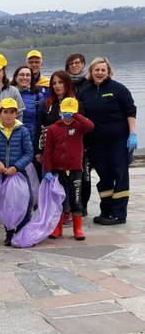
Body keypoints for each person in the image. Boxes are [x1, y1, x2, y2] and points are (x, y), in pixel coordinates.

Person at [78, 57, 137, 225]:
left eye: (103, 70)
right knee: (104, 176)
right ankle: (107, 211)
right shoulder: (85, 91)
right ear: (91, 71)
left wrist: (133, 133)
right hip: (96, 143)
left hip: (118, 141)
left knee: (119, 174)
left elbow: (130, 111)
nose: (99, 73)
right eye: (96, 70)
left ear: (108, 71)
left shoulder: (118, 89)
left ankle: (119, 214)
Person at [0, 98, 34, 246]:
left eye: (12, 112)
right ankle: (9, 232)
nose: (9, 115)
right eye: (5, 112)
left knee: (27, 201)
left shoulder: (23, 130)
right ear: (0, 113)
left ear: (16, 113)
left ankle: (23, 230)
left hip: (19, 173)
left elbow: (28, 153)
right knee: (7, 204)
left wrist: (17, 167)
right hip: (2, 175)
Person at [43, 97, 94, 240]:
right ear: (60, 111)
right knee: (58, 200)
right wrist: (47, 170)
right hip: (57, 170)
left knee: (75, 200)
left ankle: (77, 229)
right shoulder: (53, 128)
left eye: (70, 112)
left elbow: (90, 126)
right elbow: (47, 151)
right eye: (65, 112)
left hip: (75, 169)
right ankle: (57, 229)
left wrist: (76, 115)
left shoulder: (79, 126)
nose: (68, 115)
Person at [36, 71, 77, 189]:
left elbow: (84, 127)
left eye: (60, 82)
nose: (57, 86)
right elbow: (39, 127)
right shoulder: (47, 104)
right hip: (50, 151)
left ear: (67, 83)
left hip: (70, 152)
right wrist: (38, 151)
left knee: (69, 188)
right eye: (54, 83)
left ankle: (70, 207)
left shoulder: (76, 103)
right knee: (51, 188)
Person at [64, 53, 91, 213]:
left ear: (83, 64)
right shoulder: (64, 84)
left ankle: (83, 206)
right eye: (71, 63)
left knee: (84, 175)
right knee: (68, 176)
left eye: (77, 62)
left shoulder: (89, 83)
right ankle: (68, 206)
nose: (74, 65)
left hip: (85, 134)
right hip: (67, 136)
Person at [11, 65, 42, 155]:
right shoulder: (7, 93)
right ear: (15, 77)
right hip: (11, 140)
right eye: (21, 75)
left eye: (28, 75)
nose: (25, 77)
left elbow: (40, 121)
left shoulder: (38, 96)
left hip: (30, 141)